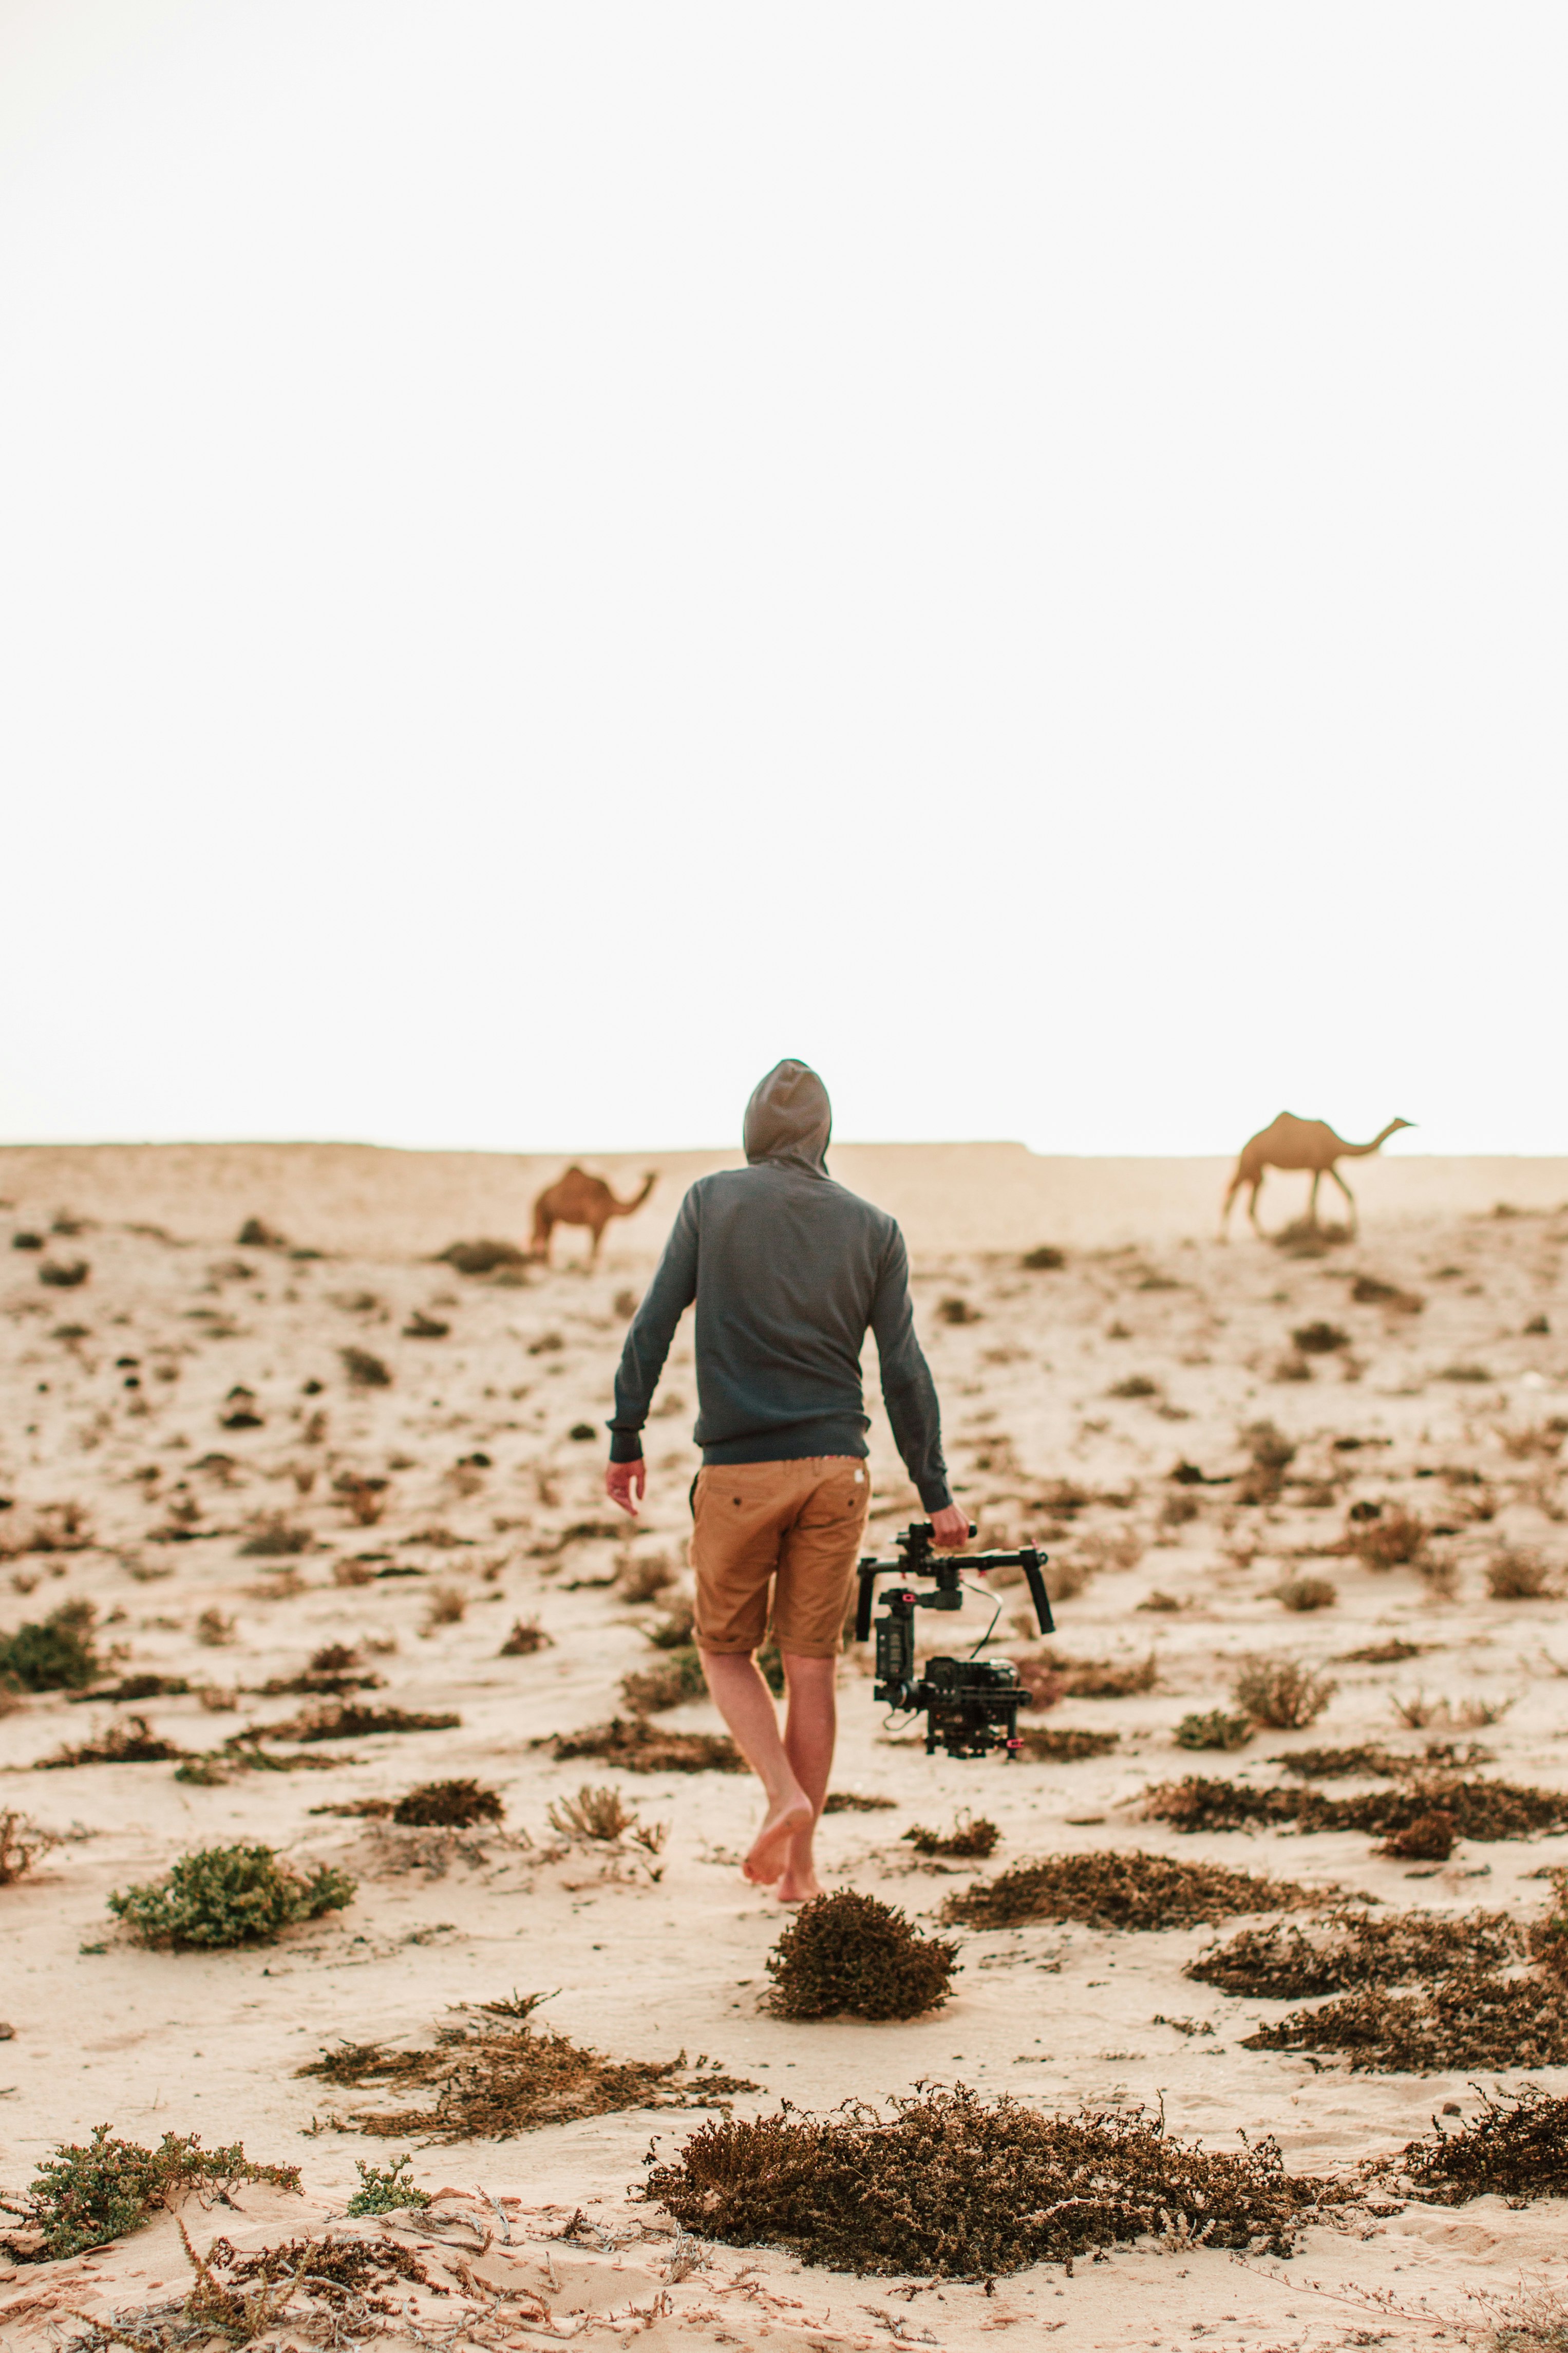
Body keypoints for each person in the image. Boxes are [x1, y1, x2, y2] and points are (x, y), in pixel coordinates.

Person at [603, 1058, 966, 1902]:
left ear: (751, 1130)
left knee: (725, 1651)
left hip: (738, 1471)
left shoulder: (711, 1201)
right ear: (823, 1134)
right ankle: (799, 1875)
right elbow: (904, 1370)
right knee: (811, 1667)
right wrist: (936, 1490)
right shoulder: (874, 1227)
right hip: (839, 1470)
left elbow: (653, 1322)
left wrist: (626, 1434)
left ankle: (781, 1797)